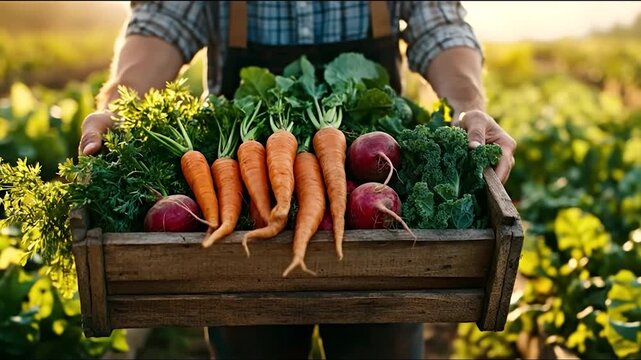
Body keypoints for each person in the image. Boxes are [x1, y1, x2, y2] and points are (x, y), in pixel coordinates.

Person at [79, 1, 517, 359]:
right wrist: (121, 107)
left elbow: (440, 24)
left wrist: (467, 106)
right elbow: (162, 21)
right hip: (248, 234)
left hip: (377, 237)